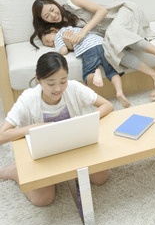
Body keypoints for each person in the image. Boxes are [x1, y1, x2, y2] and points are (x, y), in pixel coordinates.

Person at [0, 52, 113, 207]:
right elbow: (2, 135)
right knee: (43, 199)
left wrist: (85, 120)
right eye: (51, 83)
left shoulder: (73, 88)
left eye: (63, 81)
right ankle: (15, 171)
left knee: (101, 177)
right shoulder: (28, 99)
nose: (58, 88)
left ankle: (68, 171)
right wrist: (32, 128)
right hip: (42, 154)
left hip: (72, 146)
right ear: (39, 79)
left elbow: (107, 105)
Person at [30, 0, 155, 101]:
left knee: (114, 35)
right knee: (110, 50)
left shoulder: (71, 1)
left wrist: (83, 31)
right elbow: (75, 45)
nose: (53, 15)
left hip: (123, 13)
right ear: (44, 21)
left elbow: (102, 11)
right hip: (110, 34)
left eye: (51, 9)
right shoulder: (62, 29)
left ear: (54, 4)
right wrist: (69, 41)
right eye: (47, 16)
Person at [41, 26, 131, 108]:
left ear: (52, 30)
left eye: (47, 41)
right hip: (102, 44)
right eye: (46, 45)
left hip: (89, 50)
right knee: (112, 72)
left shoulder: (59, 35)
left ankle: (96, 72)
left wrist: (58, 49)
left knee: (88, 76)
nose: (49, 44)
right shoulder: (72, 28)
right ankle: (119, 92)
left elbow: (63, 51)